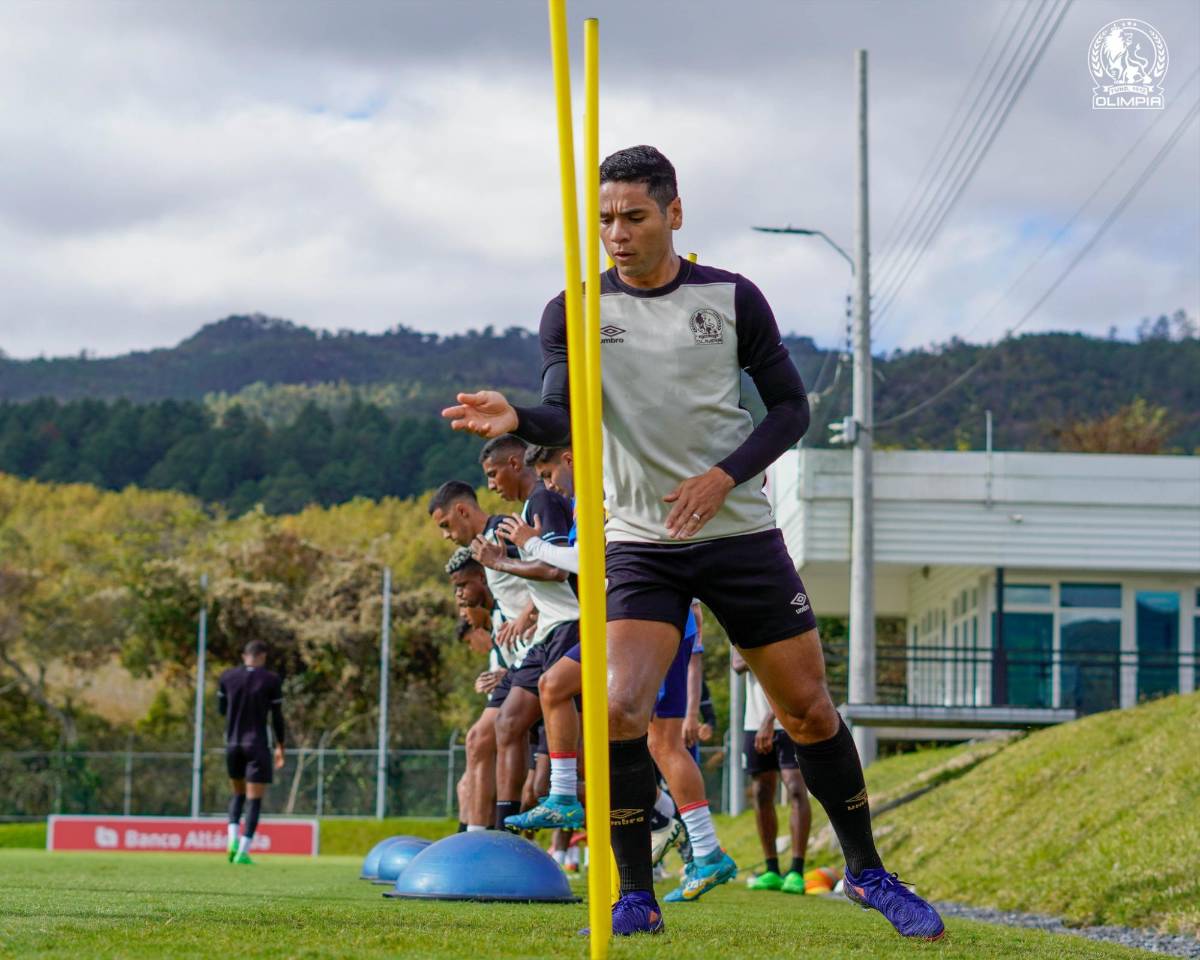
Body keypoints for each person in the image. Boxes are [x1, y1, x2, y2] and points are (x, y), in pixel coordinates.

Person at [443, 145, 944, 940]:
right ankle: (636, 895)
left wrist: (723, 475)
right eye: (605, 218)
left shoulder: (733, 298)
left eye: (635, 216)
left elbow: (789, 410)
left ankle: (868, 872)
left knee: (809, 711)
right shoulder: (571, 310)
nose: (617, 232)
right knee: (616, 707)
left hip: (739, 531)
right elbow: (560, 413)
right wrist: (517, 422)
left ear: (673, 215)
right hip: (639, 541)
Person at [470, 435, 582, 831]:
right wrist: (530, 613)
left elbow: (557, 569)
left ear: (516, 463)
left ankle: (661, 813)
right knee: (508, 722)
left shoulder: (544, 500)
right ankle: (504, 831)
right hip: (548, 630)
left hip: (572, 624)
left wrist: (501, 563)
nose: (491, 485)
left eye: (493, 474)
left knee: (585, 757)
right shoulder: (529, 508)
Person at [428, 482, 533, 830]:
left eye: (445, 525)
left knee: (549, 783)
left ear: (462, 511)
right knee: (479, 740)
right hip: (524, 663)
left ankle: (660, 815)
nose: (445, 535)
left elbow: (555, 578)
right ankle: (477, 839)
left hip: (548, 651)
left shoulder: (502, 532)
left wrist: (530, 616)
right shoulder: (482, 547)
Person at [734, 646, 812, 894]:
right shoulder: (740, 626)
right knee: (761, 793)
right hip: (753, 722)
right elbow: (737, 663)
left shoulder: (786, 622)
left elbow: (791, 669)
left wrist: (770, 719)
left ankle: (796, 871)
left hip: (790, 720)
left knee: (796, 788)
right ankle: (771, 870)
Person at [217, 640, 285, 865]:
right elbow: (277, 717)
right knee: (254, 801)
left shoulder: (227, 677)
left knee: (237, 794)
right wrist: (280, 746)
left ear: (243, 655)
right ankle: (243, 852)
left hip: (233, 744)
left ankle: (231, 840)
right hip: (256, 745)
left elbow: (221, 710)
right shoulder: (271, 680)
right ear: (262, 656)